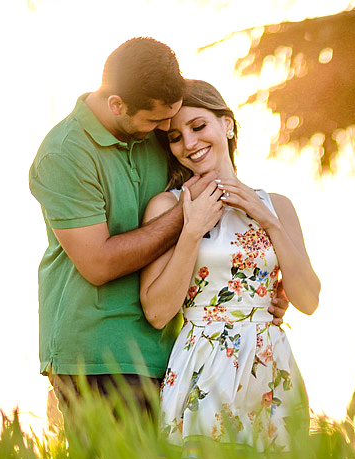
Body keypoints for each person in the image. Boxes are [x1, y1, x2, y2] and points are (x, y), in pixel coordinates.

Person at [28, 38, 284, 423]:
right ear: (118, 105)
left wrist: (260, 291)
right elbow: (98, 263)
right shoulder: (64, 155)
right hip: (98, 354)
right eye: (157, 121)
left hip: (174, 351)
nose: (167, 130)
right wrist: (186, 214)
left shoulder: (150, 133)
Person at [138, 79, 322, 450]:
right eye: (175, 137)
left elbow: (309, 300)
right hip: (202, 365)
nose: (189, 143)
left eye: (198, 126)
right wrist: (192, 230)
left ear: (228, 124)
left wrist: (266, 218)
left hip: (270, 365)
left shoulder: (278, 205)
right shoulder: (166, 208)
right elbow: (157, 312)